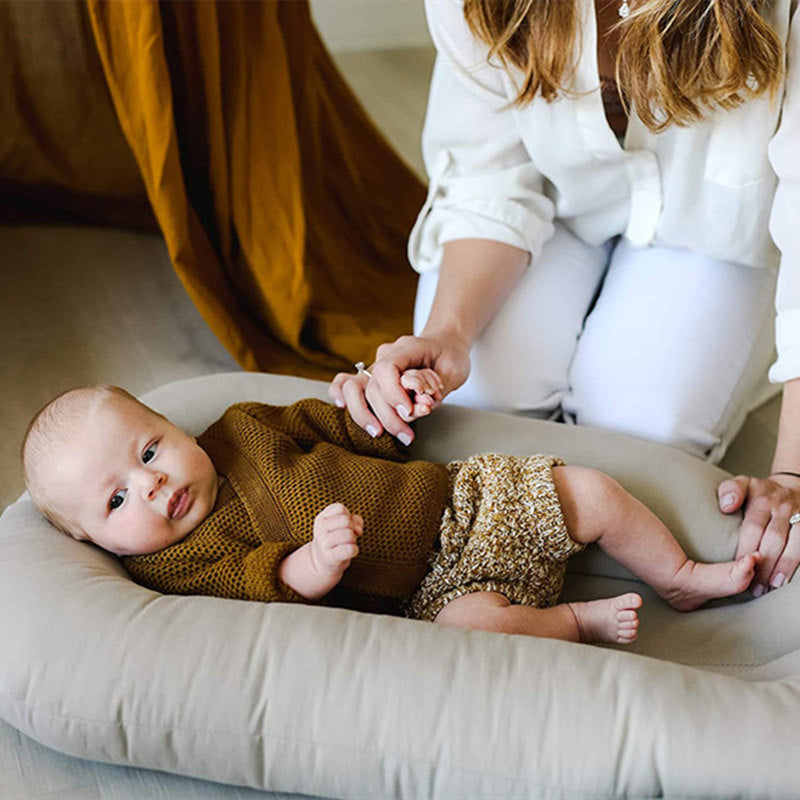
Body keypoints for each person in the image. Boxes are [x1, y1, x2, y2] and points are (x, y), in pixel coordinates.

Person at [330, 0, 800, 599]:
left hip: (720, 235)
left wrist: (793, 470)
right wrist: (448, 333)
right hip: (559, 211)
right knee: (474, 411)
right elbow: (489, 177)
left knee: (637, 440)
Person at [21, 383, 761, 646]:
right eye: (116, 500)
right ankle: (574, 623)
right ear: (92, 538)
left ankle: (679, 574)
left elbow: (336, 424)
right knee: (477, 630)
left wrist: (387, 405)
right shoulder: (173, 563)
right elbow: (253, 584)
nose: (151, 485)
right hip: (426, 597)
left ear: (173, 425)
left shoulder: (243, 427)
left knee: (592, 492)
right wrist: (313, 563)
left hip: (464, 501)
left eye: (150, 449)